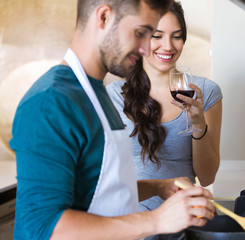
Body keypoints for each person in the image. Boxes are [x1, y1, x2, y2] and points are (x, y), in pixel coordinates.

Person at [10, 0, 215, 239]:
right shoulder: (51, 102)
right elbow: (46, 226)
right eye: (141, 33)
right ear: (104, 17)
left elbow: (100, 193)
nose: (146, 49)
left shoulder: (96, 93)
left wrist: (158, 187)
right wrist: (155, 220)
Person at [106, 2, 222, 238]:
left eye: (177, 37)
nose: (168, 46)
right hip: (134, 222)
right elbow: (108, 177)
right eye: (157, 36)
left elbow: (208, 176)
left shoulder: (206, 92)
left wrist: (198, 123)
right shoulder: (115, 96)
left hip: (185, 221)